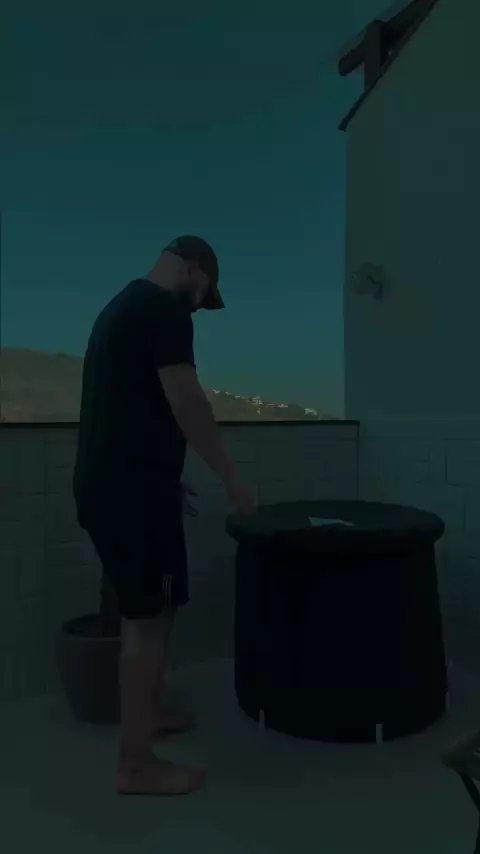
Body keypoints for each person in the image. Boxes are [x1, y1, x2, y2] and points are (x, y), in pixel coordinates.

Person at [73, 235, 257, 796]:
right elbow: (186, 401)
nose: (200, 307)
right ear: (193, 270)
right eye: (205, 295)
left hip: (130, 489)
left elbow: (123, 408)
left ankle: (148, 715)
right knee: (145, 620)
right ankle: (135, 765)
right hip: (130, 496)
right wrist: (233, 479)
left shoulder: (122, 308)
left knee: (163, 600)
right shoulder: (163, 309)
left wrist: (162, 477)